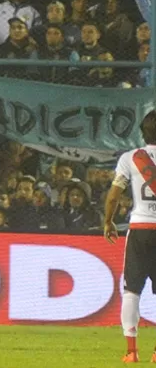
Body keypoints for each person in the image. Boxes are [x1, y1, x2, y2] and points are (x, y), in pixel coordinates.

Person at [104, 110, 156, 363]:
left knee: (131, 291)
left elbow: (114, 195)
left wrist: (108, 221)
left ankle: (131, 351)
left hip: (140, 229)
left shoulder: (130, 158)